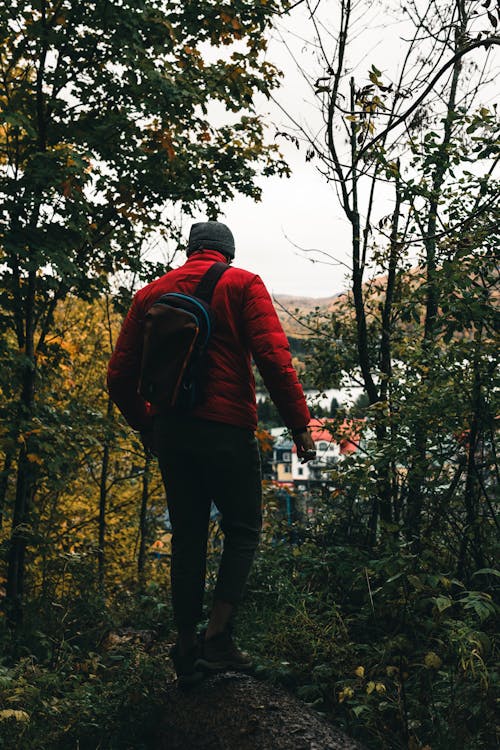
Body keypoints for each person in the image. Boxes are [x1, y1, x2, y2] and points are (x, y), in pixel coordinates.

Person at [107, 221, 316, 686]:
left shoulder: (150, 295)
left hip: (172, 432)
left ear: (191, 251)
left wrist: (147, 424)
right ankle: (218, 639)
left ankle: (184, 645)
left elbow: (119, 377)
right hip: (226, 430)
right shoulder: (242, 284)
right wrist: (300, 426)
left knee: (187, 534)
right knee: (242, 527)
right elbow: (275, 361)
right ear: (227, 255)